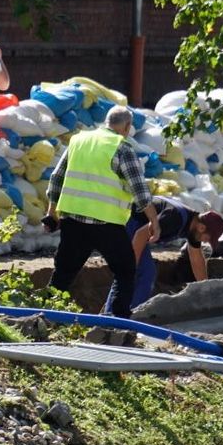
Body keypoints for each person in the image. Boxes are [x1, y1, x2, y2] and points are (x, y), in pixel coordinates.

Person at [43, 106, 159, 319]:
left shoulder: (78, 141)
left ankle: (42, 319)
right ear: (127, 127)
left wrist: (52, 213)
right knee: (125, 271)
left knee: (62, 275)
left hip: (73, 222)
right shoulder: (122, 148)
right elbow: (140, 191)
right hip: (106, 225)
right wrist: (154, 222)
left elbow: (56, 178)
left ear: (107, 122)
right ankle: (118, 321)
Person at [104, 199, 223, 313]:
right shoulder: (174, 219)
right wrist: (131, 267)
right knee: (144, 272)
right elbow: (140, 235)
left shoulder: (193, 227)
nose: (204, 241)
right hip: (126, 223)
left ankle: (118, 315)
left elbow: (196, 259)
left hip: (135, 227)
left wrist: (205, 288)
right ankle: (119, 318)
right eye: (207, 238)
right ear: (201, 227)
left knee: (142, 272)